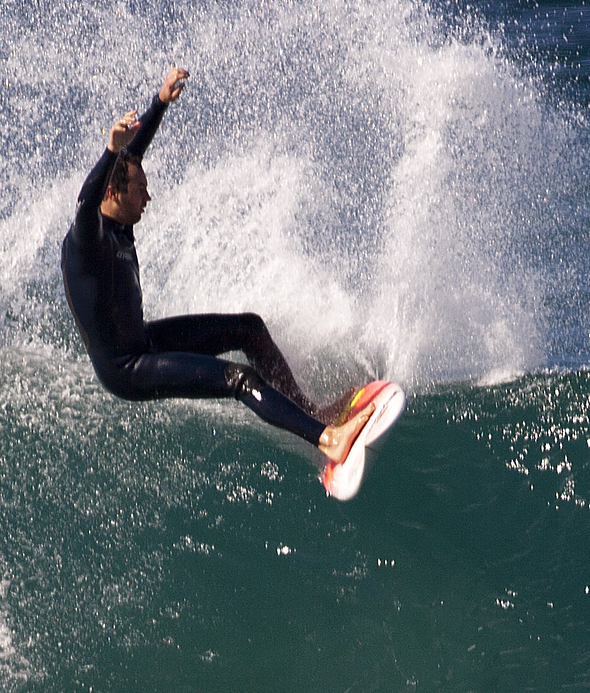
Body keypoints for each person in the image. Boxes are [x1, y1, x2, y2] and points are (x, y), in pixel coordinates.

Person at [60, 66, 373, 465]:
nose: (148, 197)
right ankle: (327, 439)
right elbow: (87, 203)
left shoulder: (120, 211)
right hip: (127, 367)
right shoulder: (89, 240)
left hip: (145, 341)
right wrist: (108, 151)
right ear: (113, 191)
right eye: (141, 190)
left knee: (249, 328)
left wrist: (158, 103)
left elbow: (132, 154)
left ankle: (311, 413)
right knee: (238, 379)